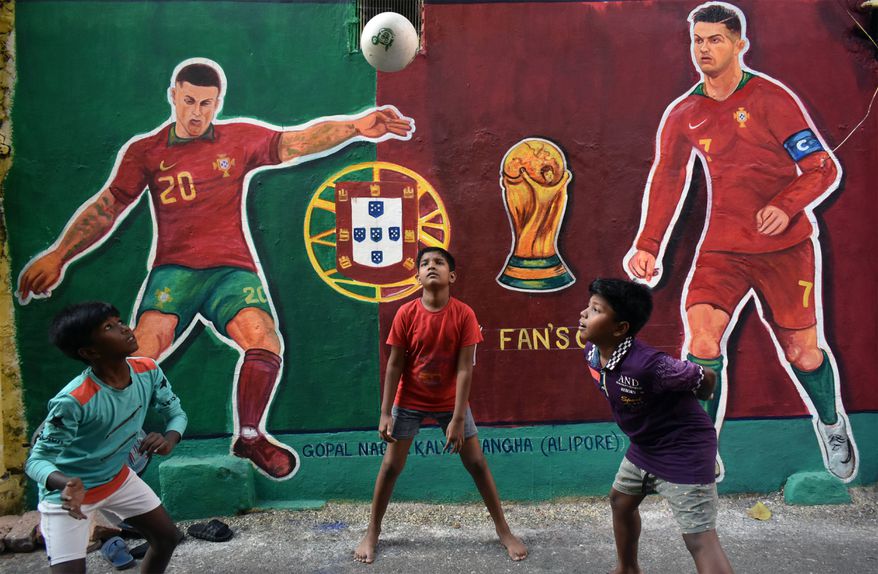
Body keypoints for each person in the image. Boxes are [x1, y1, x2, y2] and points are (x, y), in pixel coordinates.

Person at [16, 58, 414, 480]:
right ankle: (75, 432)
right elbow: (107, 206)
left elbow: (297, 141)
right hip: (174, 272)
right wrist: (59, 254)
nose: (196, 112)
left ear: (217, 103)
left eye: (206, 104)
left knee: (263, 338)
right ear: (173, 96)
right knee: (140, 350)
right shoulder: (146, 151)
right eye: (188, 101)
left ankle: (249, 435)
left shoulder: (237, 139)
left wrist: (356, 125)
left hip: (231, 271)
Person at [624, 1, 856, 481]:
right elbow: (668, 179)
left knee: (803, 354)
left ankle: (831, 424)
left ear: (739, 45)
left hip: (784, 249)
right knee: (702, 337)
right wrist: (648, 244)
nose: (704, 49)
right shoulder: (684, 112)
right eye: (698, 40)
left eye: (715, 40)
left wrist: (787, 204)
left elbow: (822, 168)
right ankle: (699, 446)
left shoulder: (772, 99)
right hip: (723, 250)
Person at [354, 247, 527, 564]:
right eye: (424, 263)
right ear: (417, 276)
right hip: (409, 400)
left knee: (476, 464)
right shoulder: (406, 313)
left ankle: (503, 530)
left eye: (439, 262)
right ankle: (373, 532)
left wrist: (458, 418)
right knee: (391, 466)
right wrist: (384, 413)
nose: (431, 266)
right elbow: (394, 365)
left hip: (451, 402)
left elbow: (465, 368)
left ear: (453, 276)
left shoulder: (464, 315)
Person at [579, 278, 733, 574]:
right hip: (646, 445)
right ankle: (627, 568)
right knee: (621, 502)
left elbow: (706, 376)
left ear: (620, 328)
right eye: (588, 307)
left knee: (699, 540)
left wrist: (702, 394)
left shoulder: (651, 365)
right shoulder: (594, 353)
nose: (583, 314)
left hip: (684, 450)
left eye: (595, 309)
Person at [26, 301, 188, 573]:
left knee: (167, 538)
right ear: (90, 352)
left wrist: (170, 439)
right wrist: (66, 483)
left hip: (117, 480)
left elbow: (176, 414)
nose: (124, 329)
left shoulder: (147, 370)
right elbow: (36, 461)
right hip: (69, 497)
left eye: (120, 321)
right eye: (109, 327)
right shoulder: (73, 400)